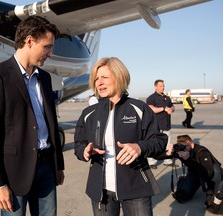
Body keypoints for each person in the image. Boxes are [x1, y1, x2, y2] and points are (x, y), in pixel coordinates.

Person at [0, 16, 65, 216]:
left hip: (46, 168)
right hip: (14, 173)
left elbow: (52, 124)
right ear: (29, 41)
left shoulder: (44, 78)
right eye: (47, 47)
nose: (50, 54)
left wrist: (58, 165)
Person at [74, 57, 167, 216]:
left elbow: (159, 141)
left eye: (104, 77)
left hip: (135, 188)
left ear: (119, 76)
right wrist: (84, 151)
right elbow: (78, 144)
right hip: (100, 192)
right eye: (96, 78)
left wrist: (139, 147)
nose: (99, 82)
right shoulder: (88, 113)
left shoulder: (139, 108)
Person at [168, 135, 222, 204]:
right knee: (183, 194)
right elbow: (159, 156)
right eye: (181, 146)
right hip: (195, 172)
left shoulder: (202, 152)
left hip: (210, 174)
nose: (183, 148)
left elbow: (208, 173)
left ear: (192, 145)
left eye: (185, 146)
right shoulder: (180, 151)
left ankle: (212, 189)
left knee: (211, 204)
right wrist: (168, 152)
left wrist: (188, 159)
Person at [146, 79, 175, 169]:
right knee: (154, 144)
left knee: (167, 144)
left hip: (167, 125)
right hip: (156, 126)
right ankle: (151, 162)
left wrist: (171, 109)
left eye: (163, 86)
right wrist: (164, 108)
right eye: (161, 86)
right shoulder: (151, 98)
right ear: (156, 87)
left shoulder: (167, 98)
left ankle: (167, 160)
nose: (163, 87)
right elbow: (151, 109)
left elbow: (172, 106)